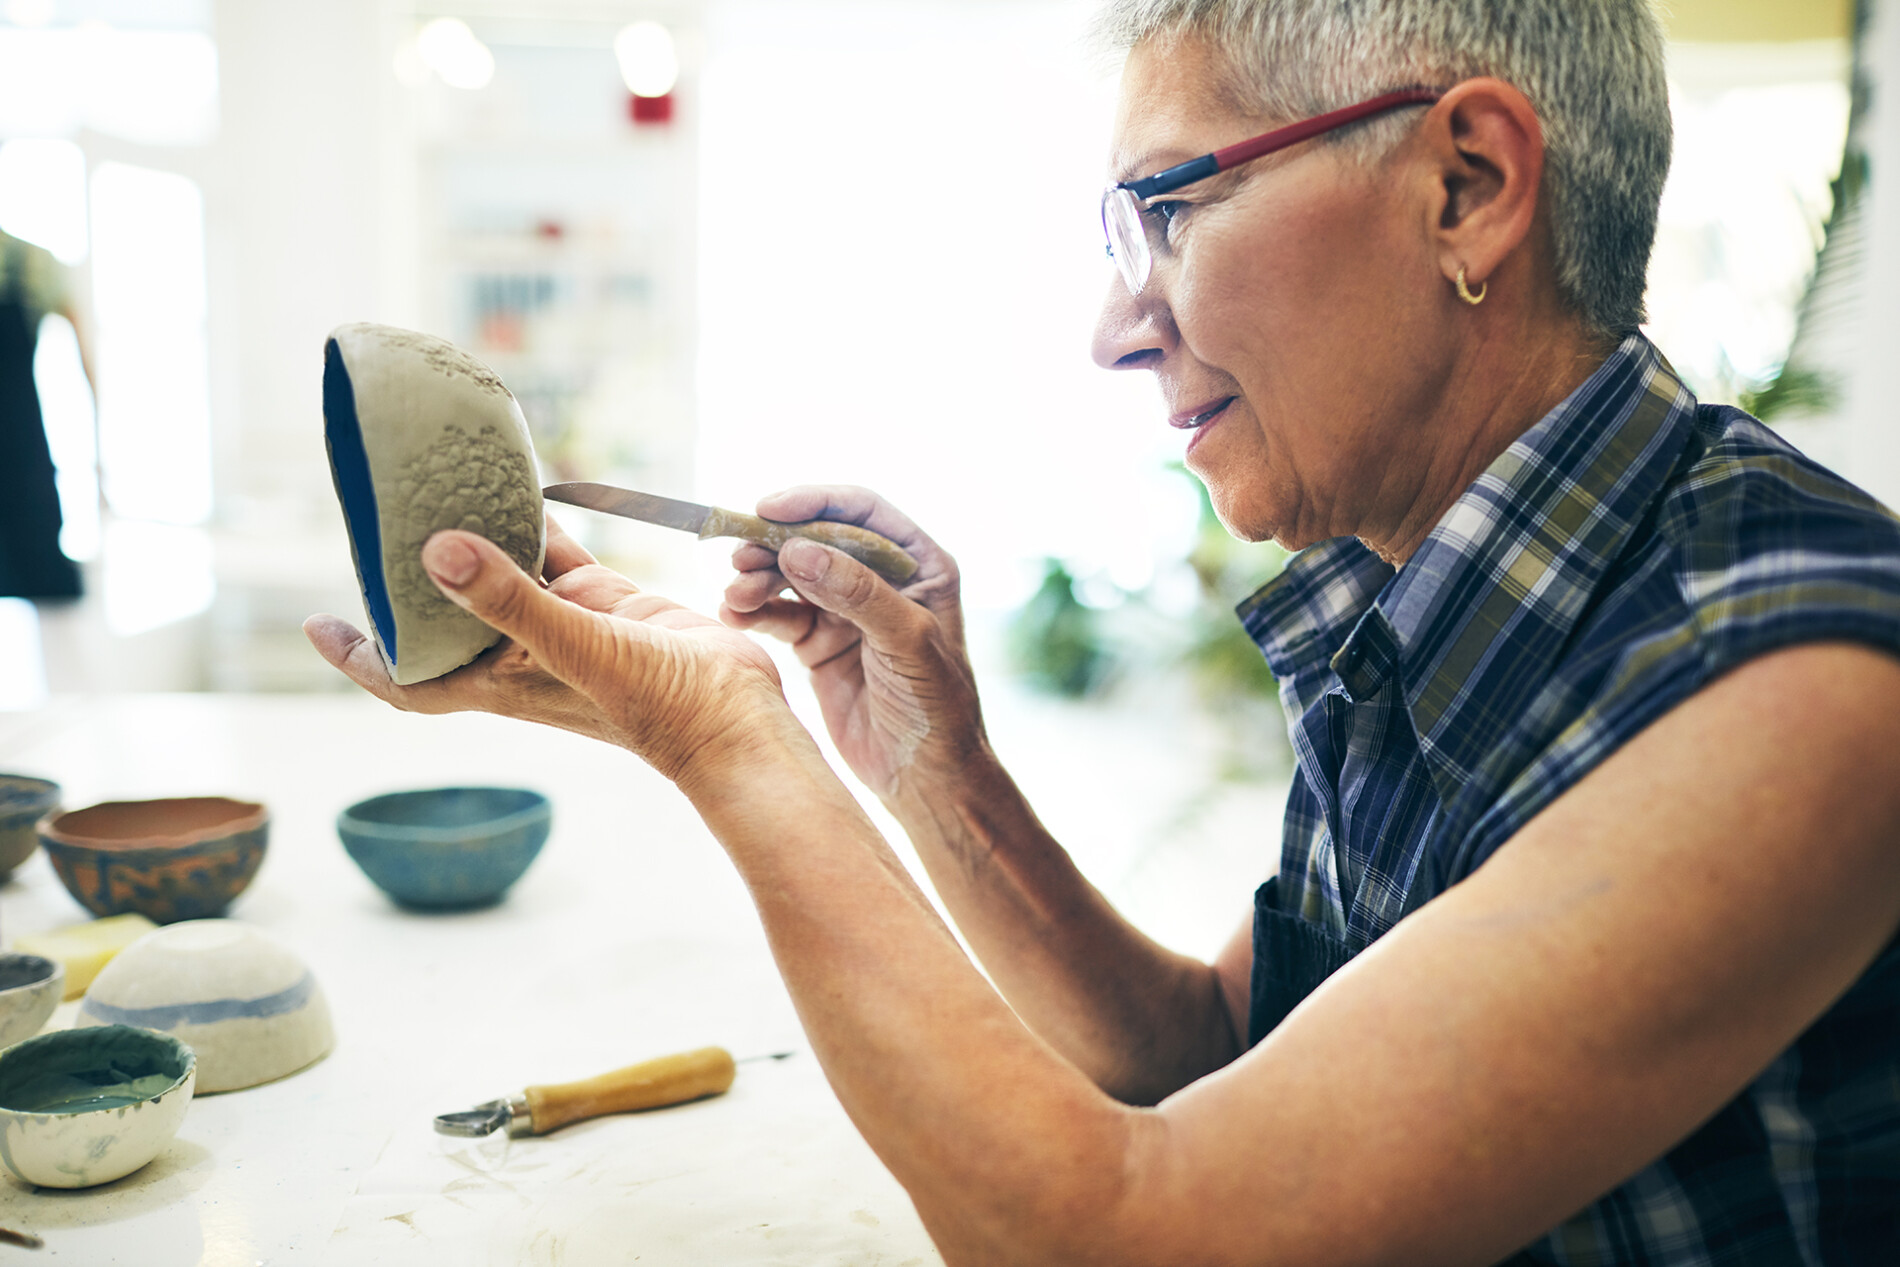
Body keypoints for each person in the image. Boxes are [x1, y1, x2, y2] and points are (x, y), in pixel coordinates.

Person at [307, 0, 1900, 1260]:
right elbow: (1208, 1046)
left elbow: (1139, 1234)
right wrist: (935, 766)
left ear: (1467, 185)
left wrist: (727, 738)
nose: (1114, 328)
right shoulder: (1429, 591)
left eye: (1171, 208)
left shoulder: (1796, 681)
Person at [0, 226, 96, 601]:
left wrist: (100, 456)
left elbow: (84, 355)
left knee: (42, 579)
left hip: (21, 456)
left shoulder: (30, 261)